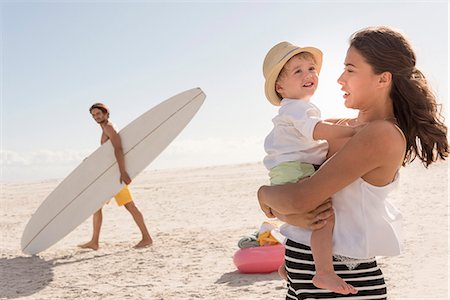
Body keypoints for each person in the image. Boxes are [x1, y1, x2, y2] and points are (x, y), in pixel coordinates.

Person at [258, 26, 448, 299]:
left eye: (350, 69)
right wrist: (285, 209)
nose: (339, 79)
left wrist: (263, 194)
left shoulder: (381, 134)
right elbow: (297, 204)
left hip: (344, 279)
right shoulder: (344, 126)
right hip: (302, 274)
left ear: (382, 79)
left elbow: (301, 199)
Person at [262, 41, 361, 294]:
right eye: (298, 71)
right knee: (322, 218)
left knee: (301, 220)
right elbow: (317, 130)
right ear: (280, 87)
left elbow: (318, 126)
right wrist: (352, 132)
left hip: (289, 170)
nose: (309, 75)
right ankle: (325, 272)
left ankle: (288, 263)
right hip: (296, 169)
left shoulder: (298, 109)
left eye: (311, 68)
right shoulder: (297, 108)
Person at [78, 103, 153, 250]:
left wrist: (122, 172)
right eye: (93, 115)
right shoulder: (105, 128)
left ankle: (147, 237)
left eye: (98, 114)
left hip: (115, 176)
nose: (96, 117)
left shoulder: (108, 127)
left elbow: (118, 148)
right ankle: (94, 242)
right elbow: (108, 154)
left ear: (106, 113)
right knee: (97, 206)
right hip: (111, 175)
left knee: (130, 205)